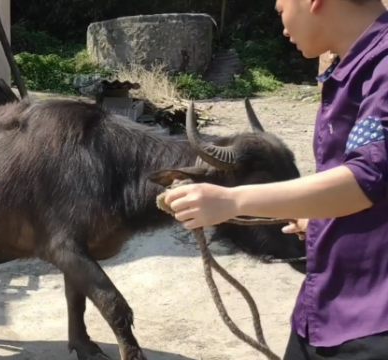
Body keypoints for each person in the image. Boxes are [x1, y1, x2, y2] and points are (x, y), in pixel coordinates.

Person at [162, 0, 388, 359]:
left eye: (281, 8)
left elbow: (365, 180)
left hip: (372, 321)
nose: (282, 26)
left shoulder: (384, 68)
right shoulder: (353, 68)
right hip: (326, 306)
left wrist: (231, 201)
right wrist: (321, 213)